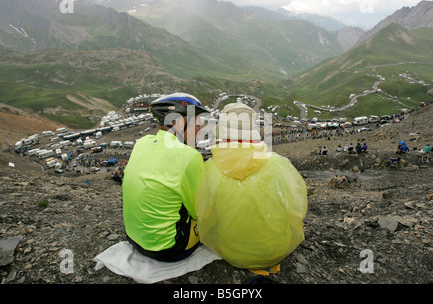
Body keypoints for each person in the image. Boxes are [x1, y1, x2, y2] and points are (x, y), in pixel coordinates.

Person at [195, 103, 308, 269]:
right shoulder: (278, 163)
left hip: (232, 253)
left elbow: (204, 214)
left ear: (222, 135)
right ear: (253, 135)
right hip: (278, 250)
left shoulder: (209, 168)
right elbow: (297, 209)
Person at [122, 93, 209, 262]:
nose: (200, 129)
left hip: (133, 237)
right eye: (197, 122)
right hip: (169, 248)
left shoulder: (141, 143)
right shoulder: (189, 156)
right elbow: (199, 210)